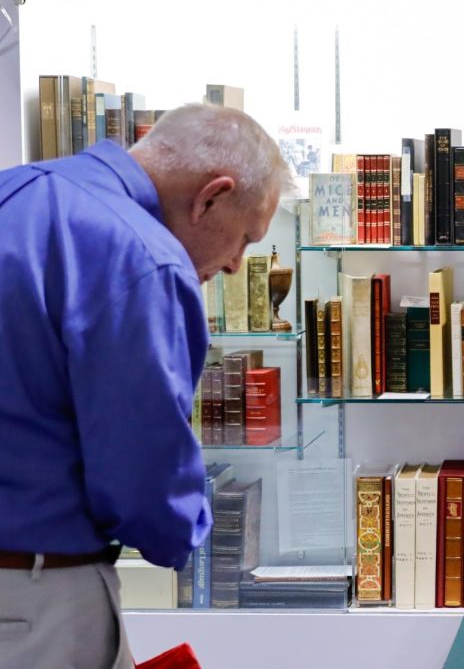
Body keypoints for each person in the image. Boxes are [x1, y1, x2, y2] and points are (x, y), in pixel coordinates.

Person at [0, 103, 291, 669]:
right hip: (34, 601)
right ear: (211, 196)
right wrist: (185, 528)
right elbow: (143, 479)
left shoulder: (14, 192)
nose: (236, 265)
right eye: (245, 239)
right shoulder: (143, 257)